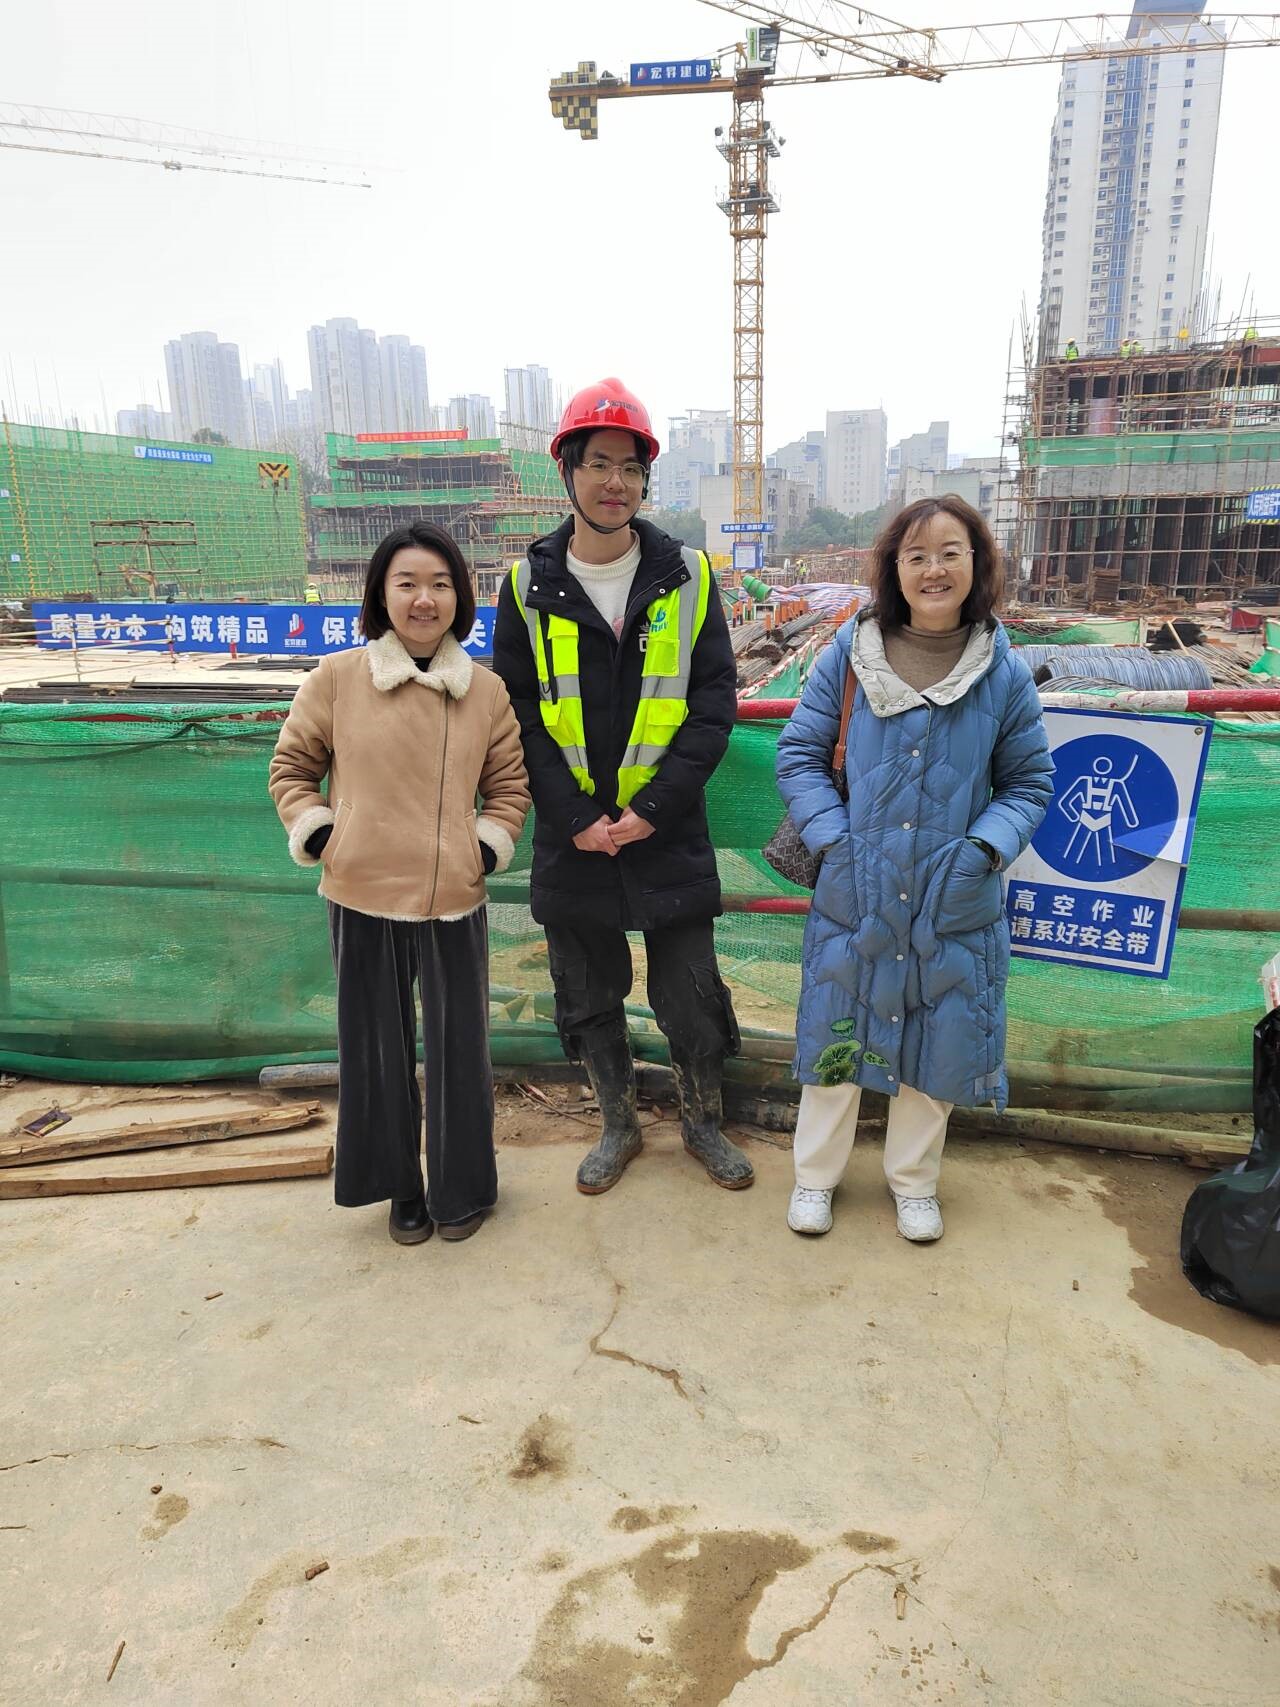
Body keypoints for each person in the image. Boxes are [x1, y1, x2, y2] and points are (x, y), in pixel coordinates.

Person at [492, 379, 751, 1196]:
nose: (616, 482)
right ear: (567, 472)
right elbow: (516, 712)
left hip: (666, 831)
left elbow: (713, 704)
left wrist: (651, 810)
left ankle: (703, 1121)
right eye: (599, 463)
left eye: (632, 468)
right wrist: (574, 817)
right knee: (587, 993)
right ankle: (618, 1123)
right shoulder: (525, 586)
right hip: (572, 837)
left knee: (691, 994)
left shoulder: (689, 576)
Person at [776, 496, 1053, 1243]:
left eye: (950, 552)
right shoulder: (849, 655)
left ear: (976, 563)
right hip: (857, 885)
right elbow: (799, 755)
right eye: (917, 555)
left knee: (942, 1035)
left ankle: (914, 1182)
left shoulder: (1003, 672)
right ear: (894, 568)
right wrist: (835, 843)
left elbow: (1029, 782)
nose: (934, 569)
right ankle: (814, 1176)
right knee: (836, 1029)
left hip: (952, 891)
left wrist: (982, 852)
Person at [268, 522, 530, 1245]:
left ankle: (460, 1187)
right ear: (381, 594)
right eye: (407, 583)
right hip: (361, 891)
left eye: (440, 584)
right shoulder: (336, 678)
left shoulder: (485, 691)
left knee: (460, 1053)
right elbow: (292, 768)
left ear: (460, 598)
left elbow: (509, 787)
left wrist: (483, 847)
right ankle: (399, 1189)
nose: (424, 599)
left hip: (454, 896)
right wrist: (324, 833)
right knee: (375, 1051)